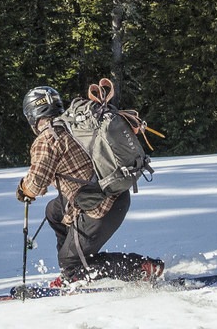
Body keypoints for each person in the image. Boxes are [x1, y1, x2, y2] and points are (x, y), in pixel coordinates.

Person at [14, 84, 164, 286]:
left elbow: (36, 186)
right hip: (111, 193)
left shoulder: (47, 139)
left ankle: (138, 268)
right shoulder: (71, 124)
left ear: (31, 115)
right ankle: (73, 271)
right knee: (54, 211)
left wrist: (23, 189)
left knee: (70, 263)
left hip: (101, 207)